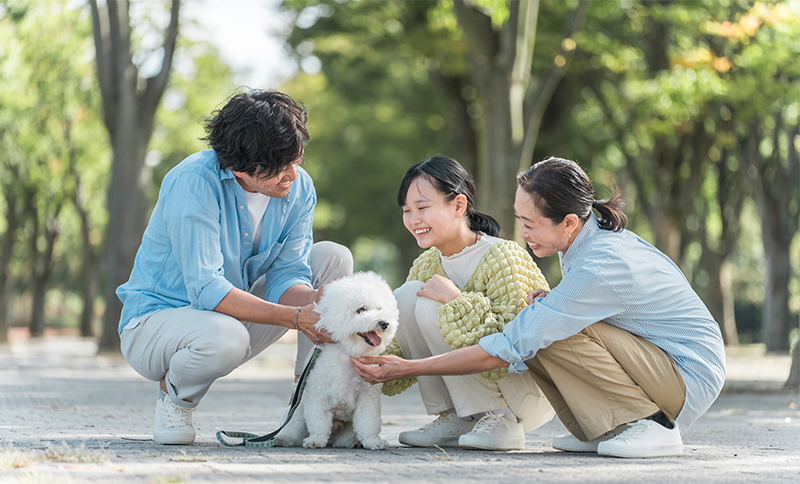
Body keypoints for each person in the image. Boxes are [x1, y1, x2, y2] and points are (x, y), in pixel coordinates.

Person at [353, 156, 726, 459]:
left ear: (567, 222)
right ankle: (609, 426)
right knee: (546, 319)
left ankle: (653, 425)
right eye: (519, 220)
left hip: (683, 375)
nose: (522, 233)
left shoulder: (601, 263)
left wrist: (412, 368)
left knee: (541, 327)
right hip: (657, 360)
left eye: (530, 224)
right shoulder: (582, 240)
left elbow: (512, 344)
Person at [116, 89, 352, 445]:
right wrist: (296, 318)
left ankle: (311, 405)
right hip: (156, 323)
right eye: (279, 167)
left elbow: (288, 274)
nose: (292, 174)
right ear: (239, 167)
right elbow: (207, 289)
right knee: (226, 336)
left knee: (334, 258)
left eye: (295, 158)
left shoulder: (300, 188)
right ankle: (175, 397)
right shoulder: (193, 181)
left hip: (229, 315)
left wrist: (319, 303)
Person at [384, 156, 554, 451]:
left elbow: (514, 345)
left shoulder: (504, 256)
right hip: (473, 393)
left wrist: (457, 301)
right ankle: (455, 416)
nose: (413, 219)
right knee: (406, 296)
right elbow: (404, 341)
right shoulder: (427, 263)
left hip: (524, 394)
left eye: (423, 207)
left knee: (430, 305)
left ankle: (500, 420)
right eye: (407, 210)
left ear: (459, 205)